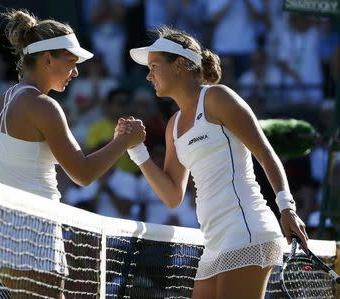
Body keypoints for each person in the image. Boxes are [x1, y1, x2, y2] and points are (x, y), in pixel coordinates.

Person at [120, 26, 308, 299]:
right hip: (214, 242)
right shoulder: (173, 126)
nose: (148, 75)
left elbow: (266, 153)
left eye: (154, 66)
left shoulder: (219, 97)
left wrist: (286, 207)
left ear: (180, 65)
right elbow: (172, 195)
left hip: (247, 230)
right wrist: (137, 150)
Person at [0, 9, 145, 299]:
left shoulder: (0, 103)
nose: (76, 72)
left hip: (3, 245)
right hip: (36, 242)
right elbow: (83, 174)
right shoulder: (44, 106)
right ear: (48, 58)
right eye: (71, 62)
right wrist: (124, 141)